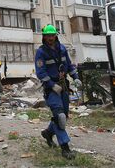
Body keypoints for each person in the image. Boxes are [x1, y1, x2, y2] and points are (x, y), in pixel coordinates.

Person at [35, 24, 82, 160]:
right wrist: (51, 85)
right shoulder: (41, 52)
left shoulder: (62, 49)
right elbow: (40, 72)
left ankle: (48, 133)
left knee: (63, 116)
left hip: (64, 87)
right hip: (52, 89)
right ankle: (65, 148)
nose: (50, 38)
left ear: (56, 35)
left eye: (52, 35)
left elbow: (69, 65)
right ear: (44, 37)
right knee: (59, 116)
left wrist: (76, 77)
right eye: (48, 36)